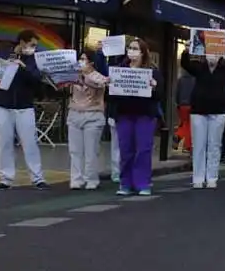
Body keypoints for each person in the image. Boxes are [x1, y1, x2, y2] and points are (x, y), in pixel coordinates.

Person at [0, 30, 49, 190]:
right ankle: (5, 178)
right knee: (4, 143)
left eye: (35, 46)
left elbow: (37, 83)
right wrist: (4, 66)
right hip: (3, 105)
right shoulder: (3, 54)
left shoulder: (34, 61)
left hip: (24, 107)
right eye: (32, 45)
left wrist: (24, 68)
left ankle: (37, 178)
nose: (34, 48)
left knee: (30, 142)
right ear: (22, 42)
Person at [181, 42, 225, 188]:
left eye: (215, 53)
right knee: (198, 145)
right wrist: (186, 51)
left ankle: (212, 177)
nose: (212, 56)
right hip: (198, 111)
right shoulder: (199, 67)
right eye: (209, 53)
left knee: (215, 145)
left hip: (218, 110)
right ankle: (198, 177)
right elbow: (185, 64)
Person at [111, 38, 162, 196]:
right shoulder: (120, 69)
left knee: (143, 149)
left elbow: (160, 95)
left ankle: (142, 183)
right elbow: (112, 96)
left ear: (142, 52)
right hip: (125, 114)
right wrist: (110, 85)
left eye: (135, 48)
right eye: (129, 48)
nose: (131, 51)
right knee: (126, 150)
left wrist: (154, 86)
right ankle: (125, 183)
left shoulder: (153, 72)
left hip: (145, 115)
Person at [67, 46, 109, 190]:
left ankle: (91, 179)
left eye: (84, 59)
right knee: (75, 151)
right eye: (80, 59)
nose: (81, 61)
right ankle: (76, 179)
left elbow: (101, 83)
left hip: (93, 116)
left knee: (91, 151)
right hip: (74, 114)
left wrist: (84, 76)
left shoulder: (97, 76)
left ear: (91, 62)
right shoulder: (73, 75)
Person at [174, 68, 195, 153]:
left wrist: (178, 103)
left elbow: (177, 93)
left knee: (184, 124)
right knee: (189, 126)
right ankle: (187, 145)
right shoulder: (195, 79)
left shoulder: (180, 80)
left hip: (182, 105)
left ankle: (180, 138)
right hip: (192, 105)